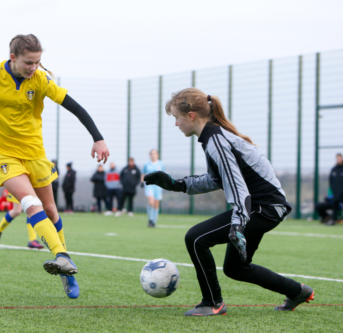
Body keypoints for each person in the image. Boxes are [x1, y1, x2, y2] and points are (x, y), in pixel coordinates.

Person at [0, 34, 109, 299]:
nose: (33, 67)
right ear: (13, 58)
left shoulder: (41, 80)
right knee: (30, 203)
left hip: (34, 153)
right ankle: (62, 256)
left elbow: (75, 107)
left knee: (50, 209)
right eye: (28, 62)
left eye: (37, 62)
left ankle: (66, 271)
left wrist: (98, 137)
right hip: (3, 154)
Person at [144, 88, 314, 316]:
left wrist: (238, 224)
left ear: (191, 116)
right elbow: (216, 180)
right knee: (236, 269)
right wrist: (177, 184)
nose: (176, 124)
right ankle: (298, 291)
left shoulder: (215, 140)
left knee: (195, 239)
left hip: (263, 208)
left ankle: (212, 303)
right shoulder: (211, 138)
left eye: (176, 117)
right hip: (264, 207)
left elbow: (237, 187)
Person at [142, 150, 164, 227]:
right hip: (149, 185)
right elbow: (143, 173)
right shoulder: (147, 164)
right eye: (151, 154)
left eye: (154, 154)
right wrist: (142, 182)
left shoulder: (161, 164)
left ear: (157, 155)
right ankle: (150, 219)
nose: (153, 155)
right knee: (151, 202)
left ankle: (154, 221)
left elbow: (164, 175)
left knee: (156, 204)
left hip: (158, 186)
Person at [318, 154, 343, 225]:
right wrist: (334, 191)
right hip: (336, 193)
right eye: (337, 158)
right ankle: (333, 220)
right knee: (335, 204)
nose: (338, 160)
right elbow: (331, 181)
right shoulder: (334, 169)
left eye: (339, 158)